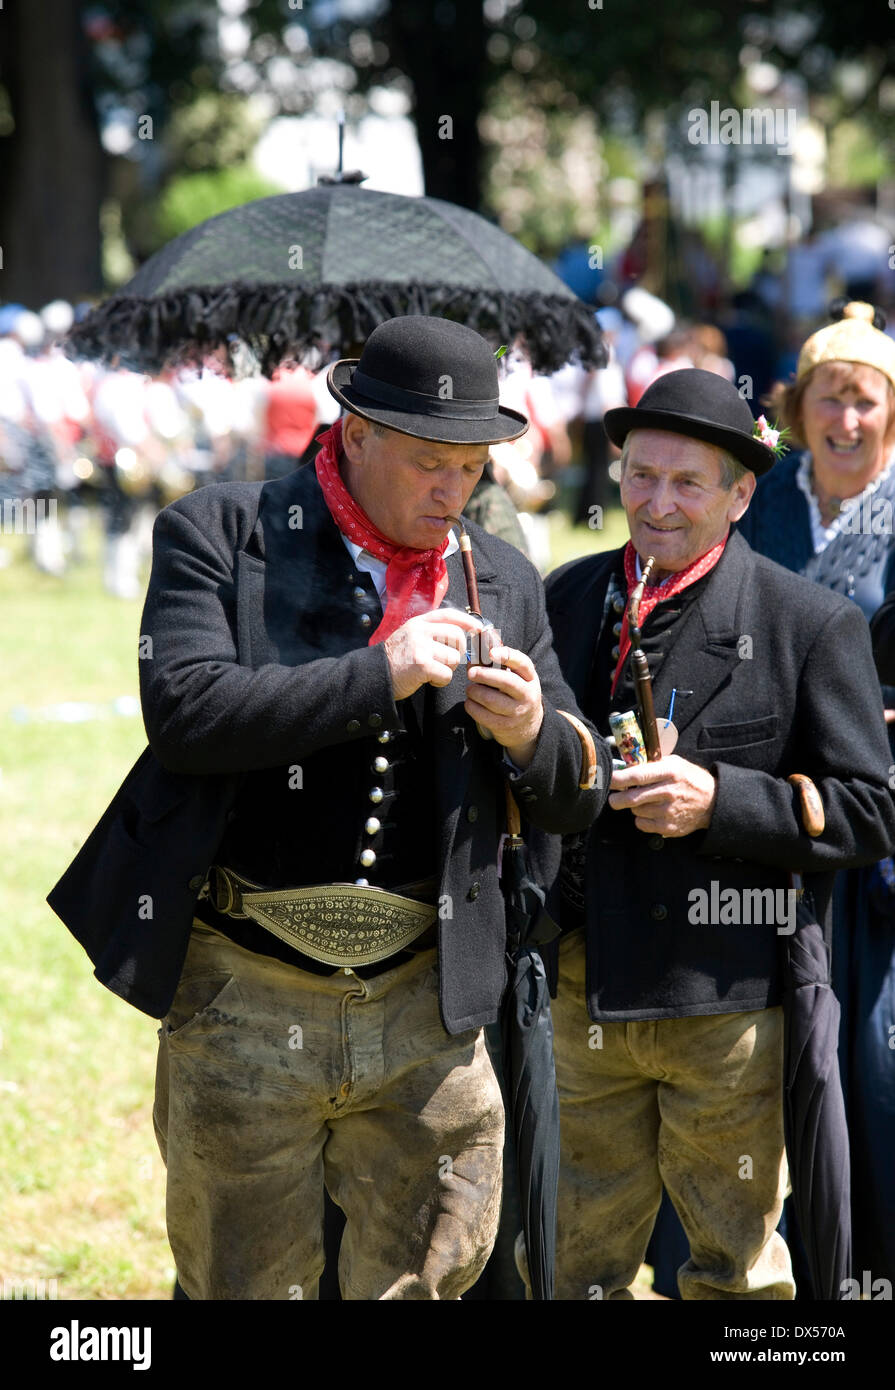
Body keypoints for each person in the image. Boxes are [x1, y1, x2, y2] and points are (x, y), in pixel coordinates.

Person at [47, 314, 607, 1301]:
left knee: (421, 1279)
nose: (455, 490)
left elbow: (574, 788)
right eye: (431, 462)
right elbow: (186, 713)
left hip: (426, 1001)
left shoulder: (502, 577)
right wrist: (376, 673)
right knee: (243, 1280)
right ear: (353, 434)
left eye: (473, 467)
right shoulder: (220, 530)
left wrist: (532, 735)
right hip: (246, 990)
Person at [540, 366, 895, 1300]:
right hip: (583, 997)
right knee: (576, 1269)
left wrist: (720, 800)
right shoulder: (563, 600)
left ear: (742, 494)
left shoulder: (809, 623)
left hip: (731, 1006)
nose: (658, 503)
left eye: (688, 482)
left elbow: (868, 809)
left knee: (734, 1276)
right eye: (642, 475)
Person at [737, 300, 895, 1292]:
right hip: (764, 807)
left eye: (866, 401)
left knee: (872, 1061)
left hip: (874, 820)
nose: (845, 421)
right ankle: (751, 1264)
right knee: (751, 1057)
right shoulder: (753, 505)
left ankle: (869, 1270)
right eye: (828, 399)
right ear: (796, 411)